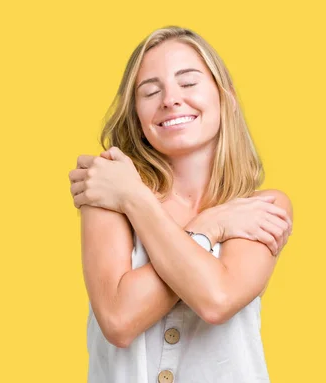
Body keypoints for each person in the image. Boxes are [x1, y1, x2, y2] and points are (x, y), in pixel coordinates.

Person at [68, 26, 294, 383]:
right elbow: (118, 320)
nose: (170, 99)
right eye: (150, 91)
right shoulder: (108, 199)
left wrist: (132, 197)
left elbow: (216, 299)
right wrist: (209, 227)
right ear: (138, 118)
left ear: (226, 98)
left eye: (188, 84)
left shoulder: (261, 208)